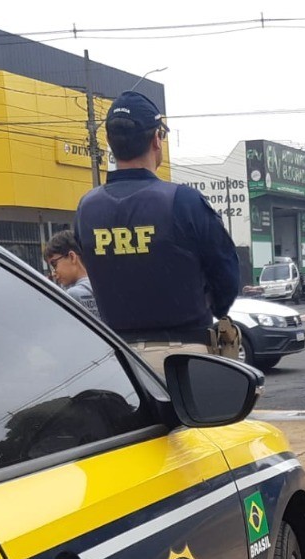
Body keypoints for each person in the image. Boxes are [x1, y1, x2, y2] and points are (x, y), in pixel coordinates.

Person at [74, 91, 240, 370]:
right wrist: (213, 309)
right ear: (156, 140)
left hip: (116, 360)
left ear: (110, 143)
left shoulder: (86, 208)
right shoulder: (183, 201)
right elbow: (227, 276)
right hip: (186, 355)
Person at [43, 229, 99, 319]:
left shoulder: (73, 294)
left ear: (72, 257)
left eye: (54, 265)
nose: (53, 273)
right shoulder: (102, 286)